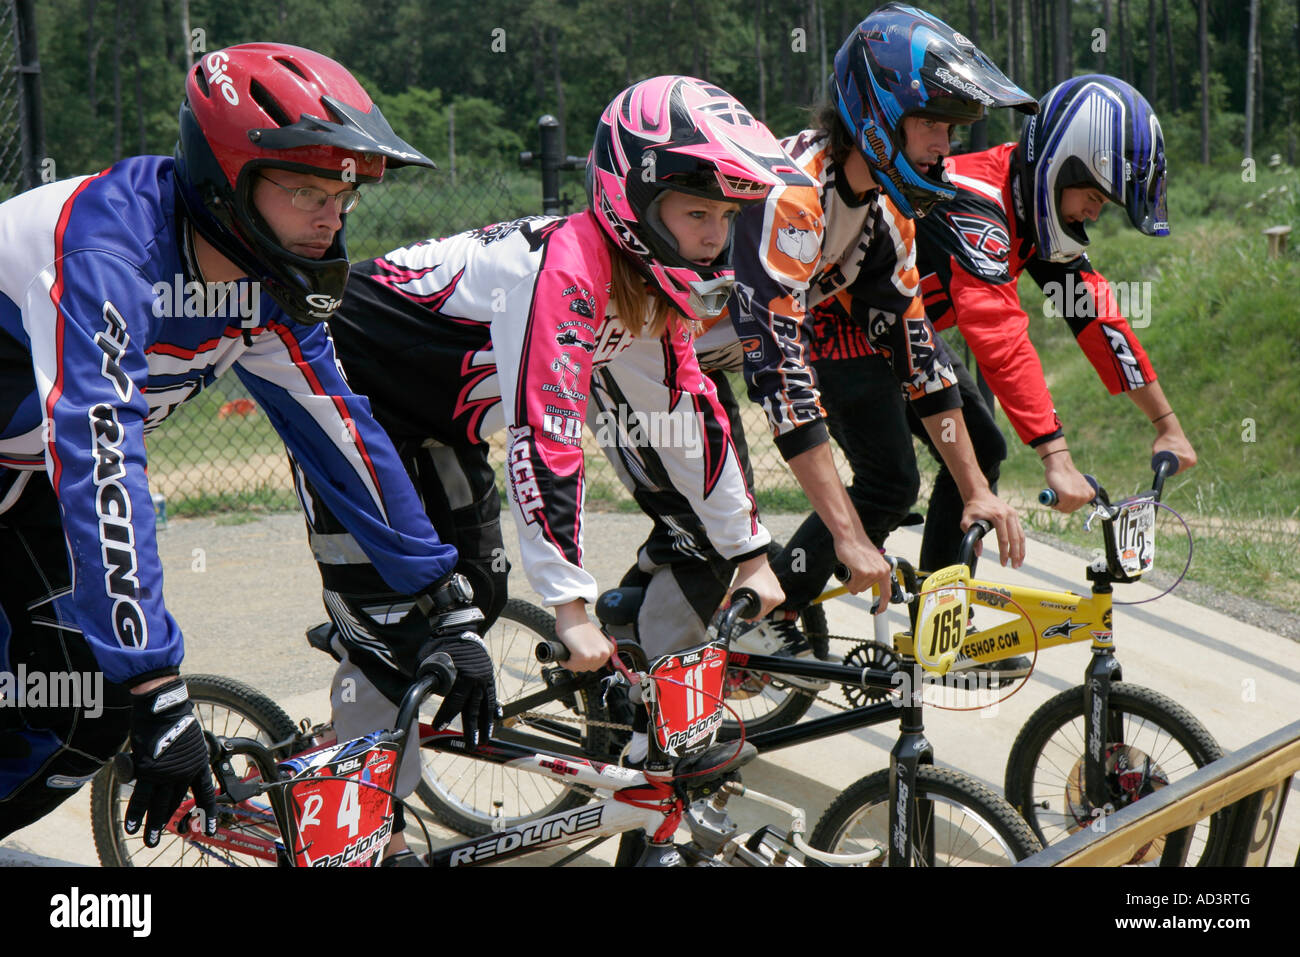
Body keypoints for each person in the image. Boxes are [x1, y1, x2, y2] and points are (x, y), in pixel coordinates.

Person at [291, 75, 802, 862]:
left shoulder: (641, 286)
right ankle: (357, 825)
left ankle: (368, 748)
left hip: (436, 425)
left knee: (475, 596)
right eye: (697, 211)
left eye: (725, 217)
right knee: (397, 629)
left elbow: (687, 422)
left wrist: (750, 554)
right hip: (349, 402)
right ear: (635, 197)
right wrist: (570, 609)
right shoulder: (566, 268)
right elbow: (547, 436)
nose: (713, 235)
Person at [0, 44, 497, 849]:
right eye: (305, 190)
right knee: (91, 691)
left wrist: (442, 600)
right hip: (46, 473)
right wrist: (157, 677)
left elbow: (339, 428)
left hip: (21, 486)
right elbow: (101, 457)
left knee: (77, 712)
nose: (331, 216)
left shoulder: (268, 278)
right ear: (223, 182)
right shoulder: (108, 248)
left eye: (342, 193)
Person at [600, 4, 1033, 671]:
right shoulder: (793, 196)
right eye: (932, 124)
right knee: (719, 542)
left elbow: (918, 355)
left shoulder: (886, 212)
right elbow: (782, 376)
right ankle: (643, 712)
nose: (945, 144)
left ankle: (661, 638)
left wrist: (973, 484)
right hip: (638, 356)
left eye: (953, 128)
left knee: (726, 539)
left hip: (702, 358)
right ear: (878, 116)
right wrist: (847, 534)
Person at [915, 74, 1196, 514]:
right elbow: (999, 335)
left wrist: (1167, 425)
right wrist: (1057, 459)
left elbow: (1094, 315)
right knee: (888, 484)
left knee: (982, 451)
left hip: (899, 338)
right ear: (1059, 168)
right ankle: (784, 581)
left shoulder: (1028, 200)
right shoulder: (973, 202)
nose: (1095, 215)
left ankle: (939, 584)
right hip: (838, 337)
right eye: (1092, 196)